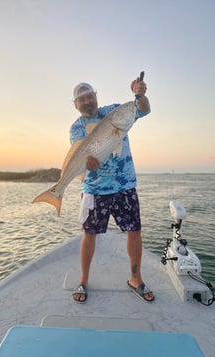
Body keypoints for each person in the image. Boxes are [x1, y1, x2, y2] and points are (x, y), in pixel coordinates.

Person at [70, 76, 154, 303]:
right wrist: (89, 163)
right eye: (81, 100)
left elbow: (142, 110)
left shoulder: (115, 112)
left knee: (134, 230)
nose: (87, 102)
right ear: (75, 105)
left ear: (96, 97)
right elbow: (81, 157)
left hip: (124, 185)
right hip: (94, 189)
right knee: (89, 234)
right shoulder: (77, 127)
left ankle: (136, 278)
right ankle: (83, 279)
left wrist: (140, 95)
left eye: (89, 97)